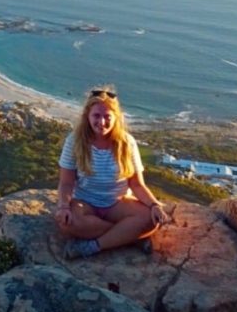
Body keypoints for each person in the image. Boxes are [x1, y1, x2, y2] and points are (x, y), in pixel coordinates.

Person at [54, 84, 167, 258]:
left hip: (118, 203)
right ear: (87, 116)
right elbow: (66, 182)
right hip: (85, 203)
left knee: (150, 219)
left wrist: (154, 205)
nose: (101, 122)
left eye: (107, 116)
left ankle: (93, 246)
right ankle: (128, 236)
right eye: (96, 116)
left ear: (116, 118)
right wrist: (63, 206)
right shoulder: (75, 141)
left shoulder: (127, 143)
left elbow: (137, 184)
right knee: (67, 222)